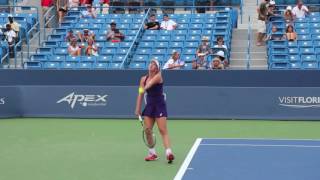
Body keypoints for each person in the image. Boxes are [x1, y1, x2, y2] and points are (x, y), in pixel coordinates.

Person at [135, 59, 175, 163]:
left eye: (154, 64)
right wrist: (138, 108)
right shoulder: (143, 79)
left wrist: (145, 87)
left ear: (157, 68)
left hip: (159, 105)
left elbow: (150, 84)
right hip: (149, 106)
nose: (151, 65)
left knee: (162, 130)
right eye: (150, 63)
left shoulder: (158, 76)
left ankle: (169, 152)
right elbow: (140, 93)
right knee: (147, 130)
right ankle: (152, 153)